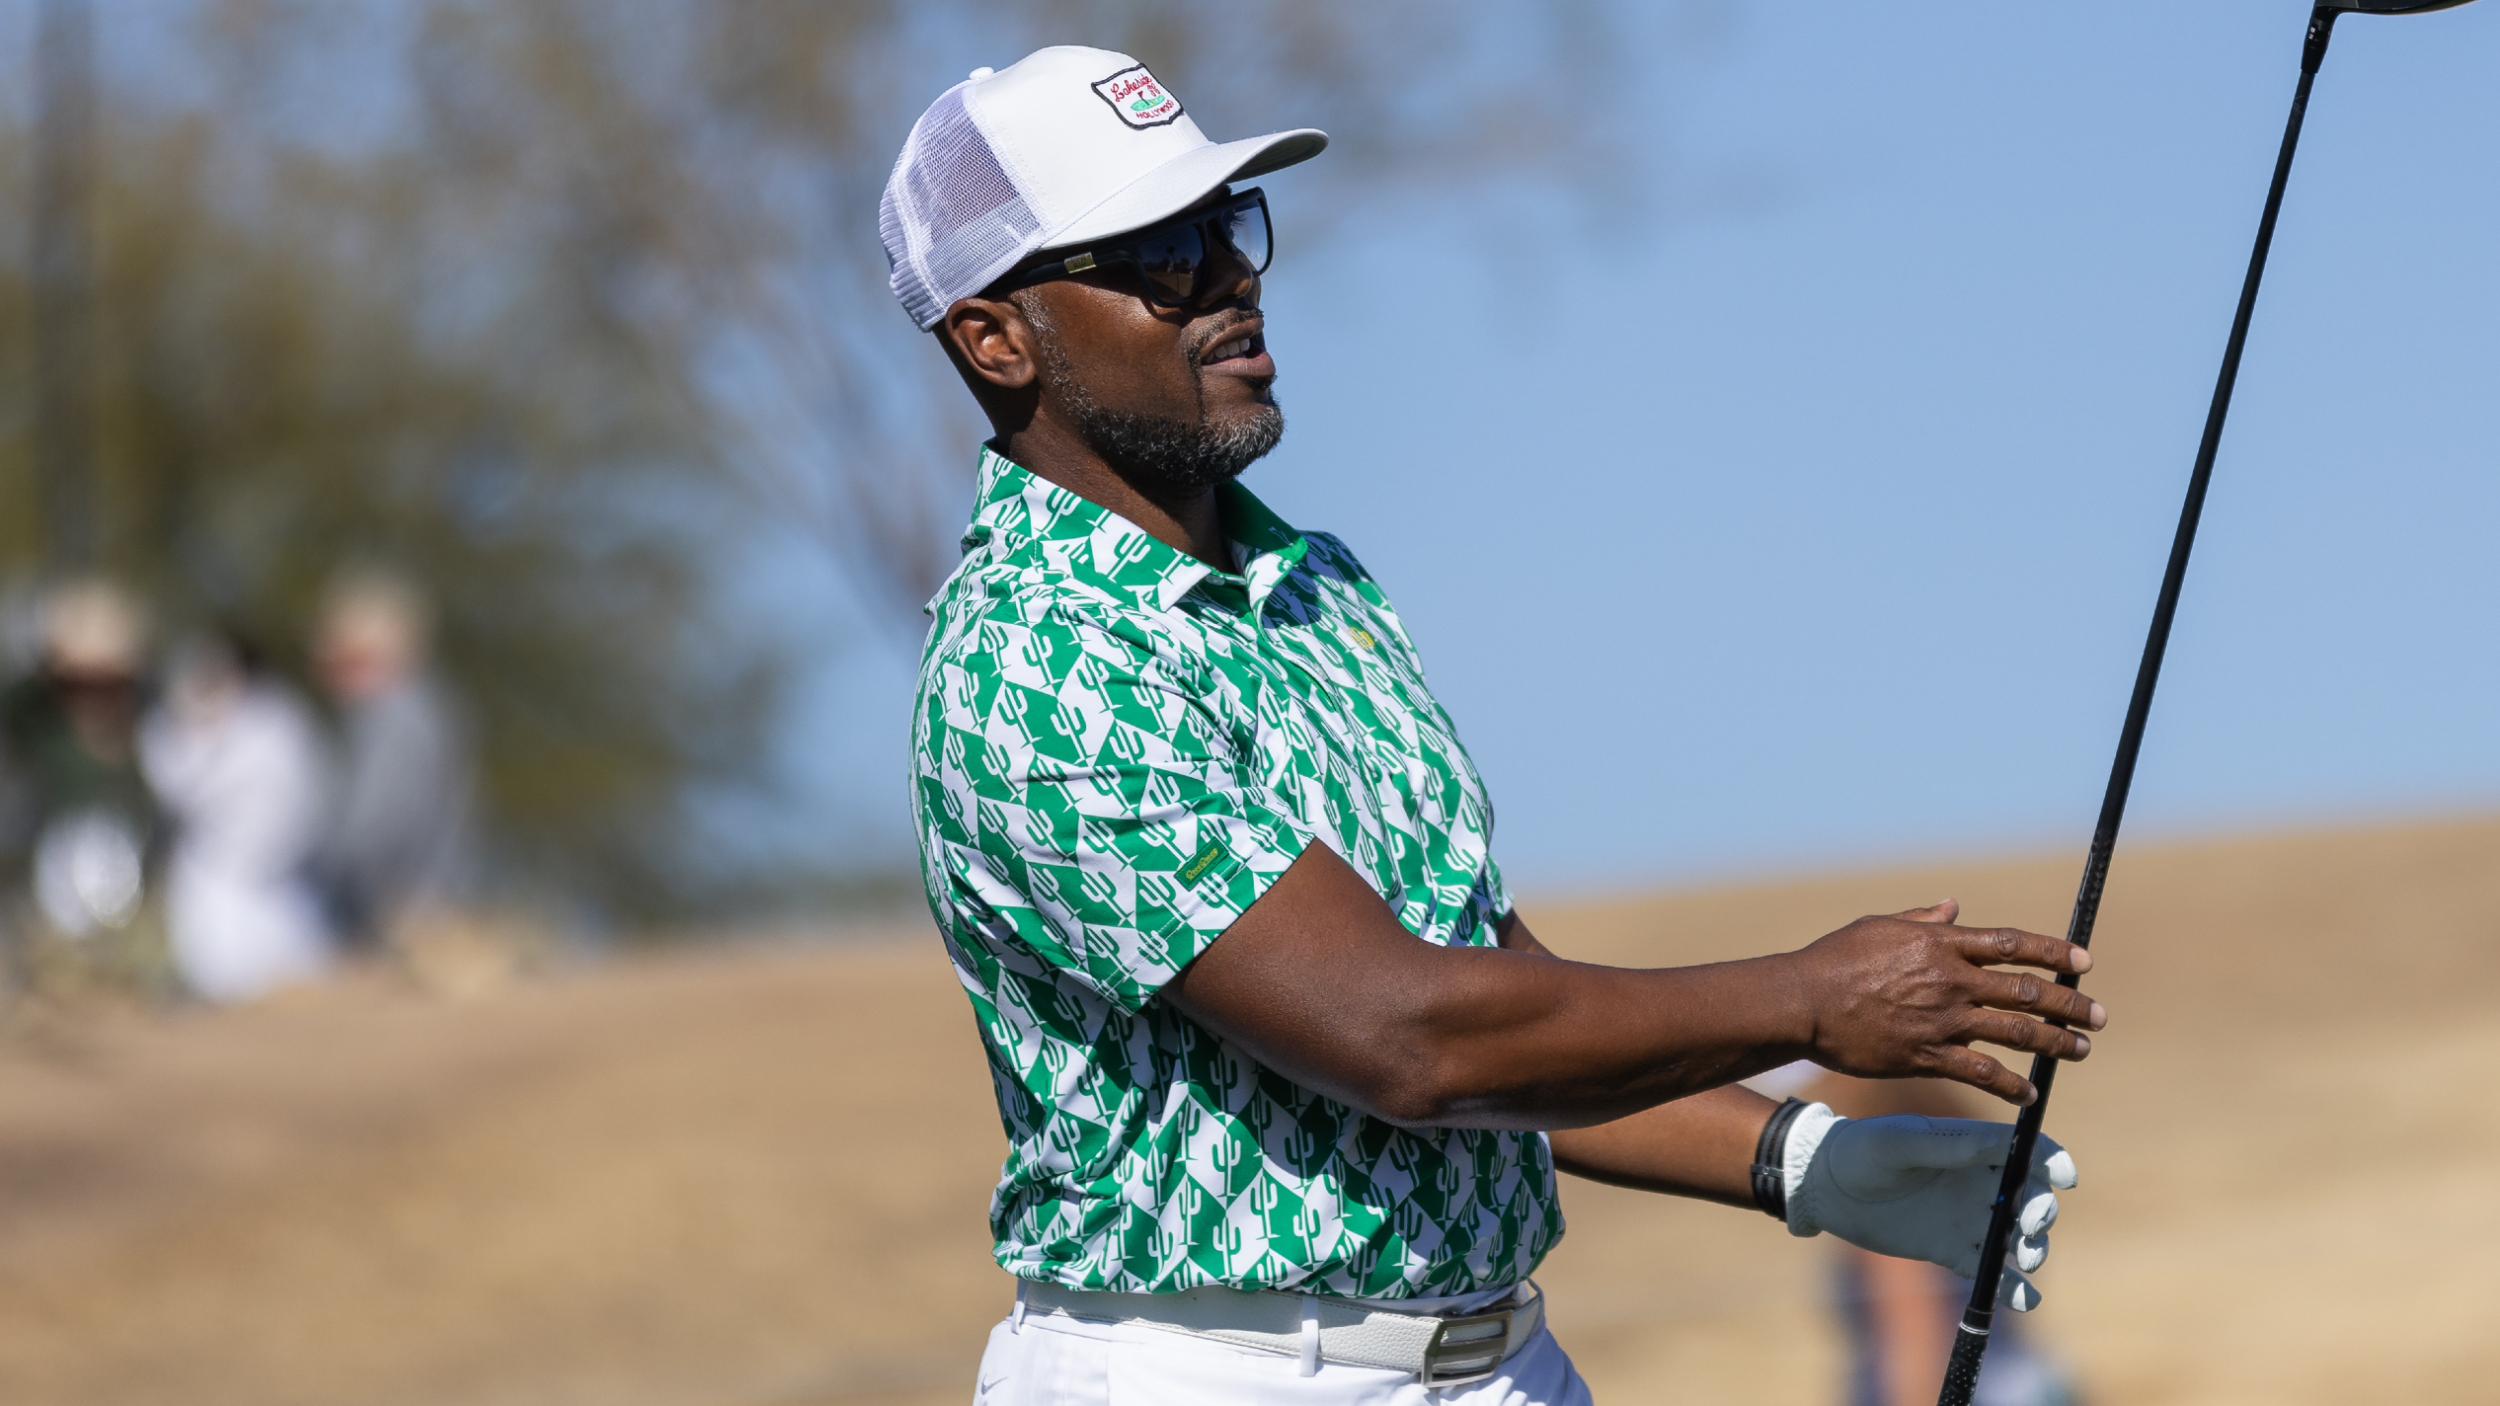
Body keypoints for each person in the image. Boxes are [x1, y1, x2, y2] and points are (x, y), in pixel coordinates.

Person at [894, 49, 2107, 1405]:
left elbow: (1499, 997)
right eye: (1163, 256)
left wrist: (1798, 1158)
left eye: (1228, 227)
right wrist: (1809, 999)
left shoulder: (1316, 583)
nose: (1233, 277)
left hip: (1504, 1361)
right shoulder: (1032, 662)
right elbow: (1408, 1037)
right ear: (997, 338)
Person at [138, 630, 334, 1002]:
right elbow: (178, 790)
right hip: (210, 892)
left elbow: (297, 814)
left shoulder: (275, 727)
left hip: (282, 891)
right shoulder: (166, 735)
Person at [309, 570, 474, 949]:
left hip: (401, 920)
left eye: (341, 660)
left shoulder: (396, 719)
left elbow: (372, 832)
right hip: (411, 912)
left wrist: (321, 869)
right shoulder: (416, 712)